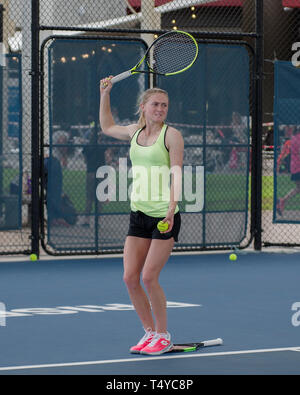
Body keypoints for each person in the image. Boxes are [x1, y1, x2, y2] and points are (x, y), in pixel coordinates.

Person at [99, 76, 184, 355]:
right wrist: (105, 94)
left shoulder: (171, 135)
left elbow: (176, 172)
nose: (160, 109)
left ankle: (164, 335)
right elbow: (107, 126)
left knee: (149, 277)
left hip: (164, 215)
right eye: (155, 104)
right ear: (143, 106)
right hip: (139, 214)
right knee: (130, 277)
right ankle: (150, 333)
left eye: (165, 105)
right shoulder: (135, 131)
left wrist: (172, 207)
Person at [277, 127, 300, 216]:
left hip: (294, 166)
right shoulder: (298, 138)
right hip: (298, 166)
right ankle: (282, 201)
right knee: (299, 188)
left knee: (298, 188)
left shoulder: (293, 137)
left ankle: (282, 201)